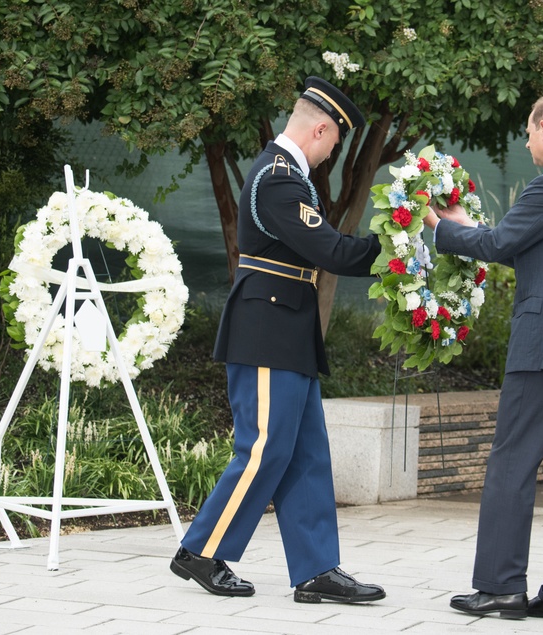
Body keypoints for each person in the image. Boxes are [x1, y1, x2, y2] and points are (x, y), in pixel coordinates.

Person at [169, 76, 385, 604]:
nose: (335, 150)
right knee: (264, 448)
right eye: (336, 140)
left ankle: (316, 571)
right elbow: (331, 250)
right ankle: (200, 550)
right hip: (266, 332)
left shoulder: (287, 177)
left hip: (285, 331)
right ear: (319, 128)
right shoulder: (279, 179)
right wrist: (397, 243)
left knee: (307, 453)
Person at [424, 95, 543, 624]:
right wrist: (465, 228)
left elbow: (502, 241)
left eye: (528, 131)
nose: (526, 141)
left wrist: (441, 227)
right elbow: (523, 247)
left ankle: (501, 586)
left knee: (512, 462)